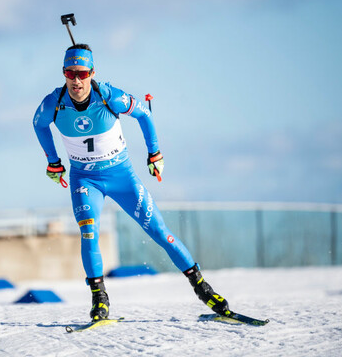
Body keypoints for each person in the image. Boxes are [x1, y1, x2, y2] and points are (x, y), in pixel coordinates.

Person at [33, 43, 230, 321]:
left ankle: (202, 288)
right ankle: (99, 299)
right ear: (63, 73)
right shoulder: (54, 102)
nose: (76, 80)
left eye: (82, 73)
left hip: (121, 176)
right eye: (70, 73)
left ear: (92, 73)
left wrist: (154, 153)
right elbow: (38, 124)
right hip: (85, 179)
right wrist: (53, 160)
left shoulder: (109, 96)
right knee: (89, 231)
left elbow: (143, 114)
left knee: (160, 232)